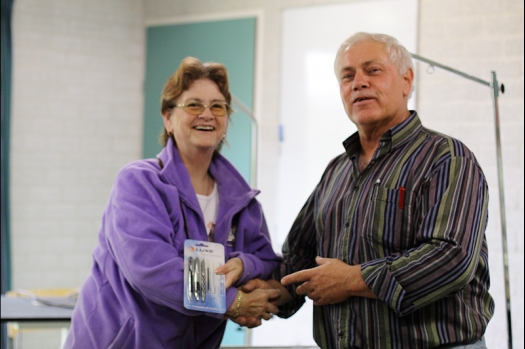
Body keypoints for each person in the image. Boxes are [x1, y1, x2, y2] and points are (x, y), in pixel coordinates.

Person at [237, 32, 494, 349]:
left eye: (372, 71)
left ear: (406, 81)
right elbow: (299, 259)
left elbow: (450, 258)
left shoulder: (447, 158)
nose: (358, 82)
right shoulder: (336, 170)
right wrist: (268, 291)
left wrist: (351, 280)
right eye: (347, 76)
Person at [64, 57, 281, 349]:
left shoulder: (243, 201)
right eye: (193, 105)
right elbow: (152, 271)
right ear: (168, 118)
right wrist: (233, 300)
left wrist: (244, 265)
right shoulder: (139, 183)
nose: (207, 114)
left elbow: (267, 260)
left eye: (217, 106)